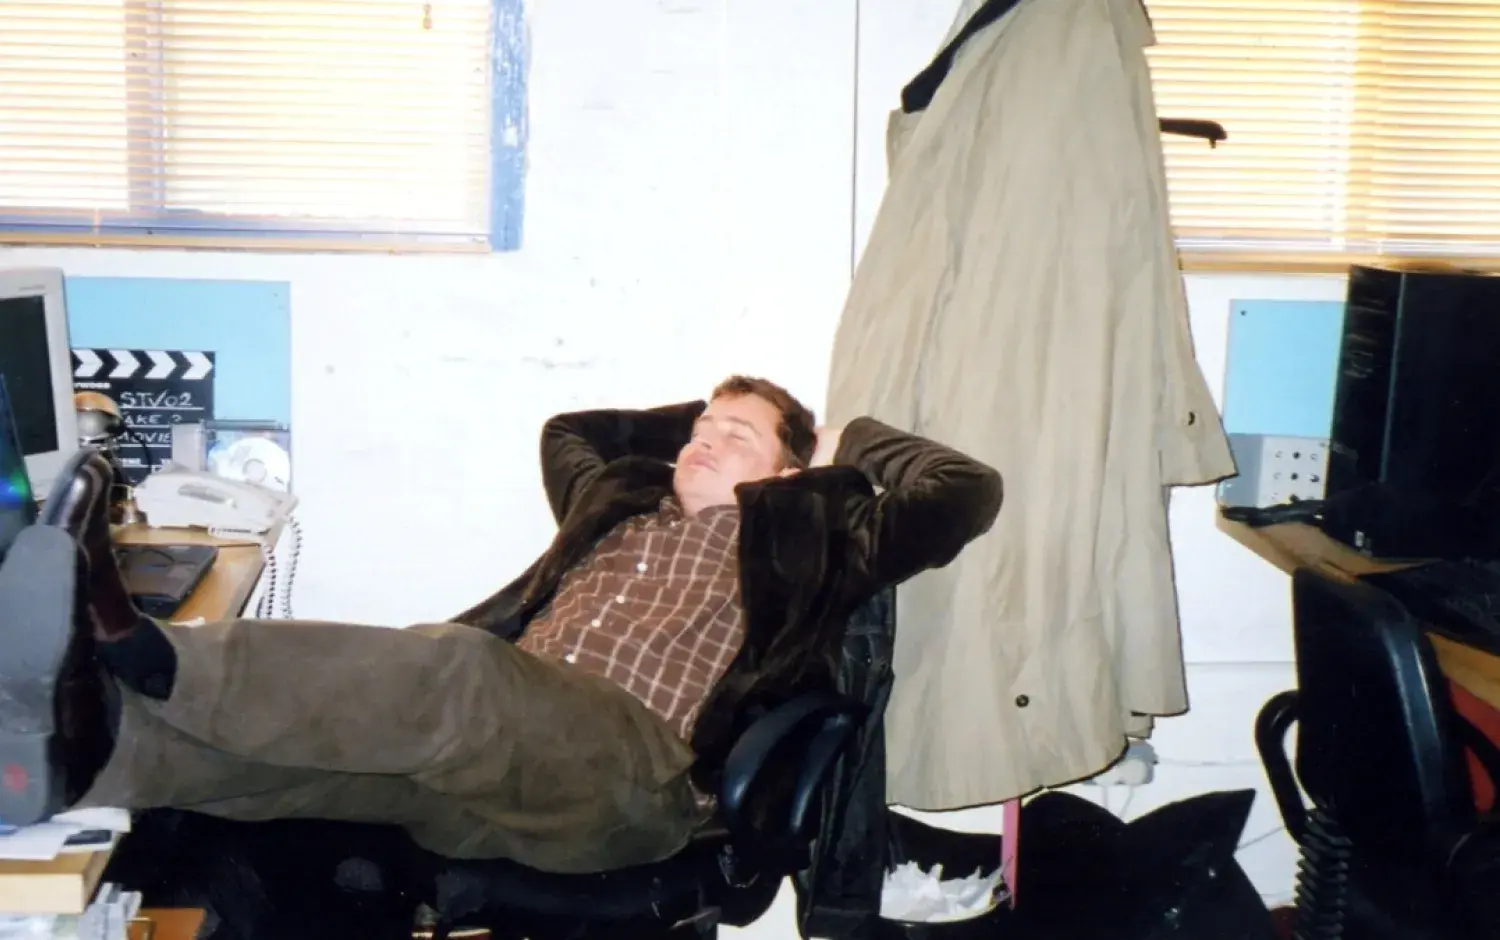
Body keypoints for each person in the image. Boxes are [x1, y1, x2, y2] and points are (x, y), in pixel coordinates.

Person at [0, 375, 1001, 874]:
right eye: (695, 431)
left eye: (731, 438)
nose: (699, 443)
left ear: (792, 468)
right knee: (309, 774)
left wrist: (841, 444)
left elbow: (965, 488)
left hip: (632, 774)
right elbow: (570, 431)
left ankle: (138, 642)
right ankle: (81, 754)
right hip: (497, 772)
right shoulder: (616, 500)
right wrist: (707, 431)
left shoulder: (814, 536)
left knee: (460, 670)